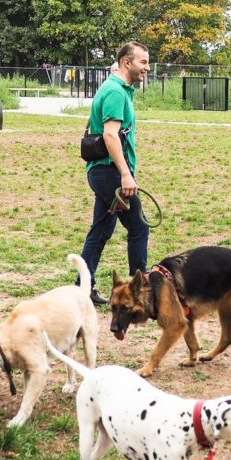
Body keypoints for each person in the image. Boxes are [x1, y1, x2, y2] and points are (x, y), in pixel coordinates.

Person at [79, 41, 151, 306]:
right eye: (143, 62)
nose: (147, 67)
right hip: (109, 172)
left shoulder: (120, 89)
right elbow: (110, 135)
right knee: (139, 227)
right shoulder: (115, 92)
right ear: (126, 63)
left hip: (104, 172)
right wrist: (125, 174)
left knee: (101, 230)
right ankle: (139, 291)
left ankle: (82, 288)